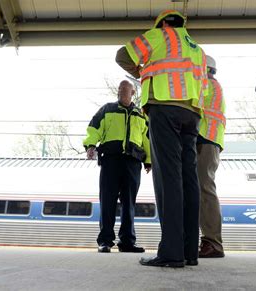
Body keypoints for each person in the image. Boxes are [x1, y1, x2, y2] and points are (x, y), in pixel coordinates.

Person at [116, 10, 208, 267]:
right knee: (189, 179)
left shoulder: (160, 36)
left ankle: (171, 252)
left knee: (168, 177)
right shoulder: (197, 49)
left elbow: (122, 55)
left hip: (164, 107)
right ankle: (190, 251)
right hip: (192, 114)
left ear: (164, 24)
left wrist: (140, 70)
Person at [83, 80, 151, 253]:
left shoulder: (140, 114)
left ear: (133, 93)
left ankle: (127, 241)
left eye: (125, 90)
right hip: (110, 160)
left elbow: (147, 139)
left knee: (129, 203)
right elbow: (94, 128)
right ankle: (105, 241)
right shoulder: (107, 109)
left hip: (132, 162)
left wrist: (149, 160)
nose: (121, 92)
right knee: (108, 201)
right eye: (120, 90)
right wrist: (91, 145)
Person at [197, 55, 226, 258]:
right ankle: (208, 240)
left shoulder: (208, 85)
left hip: (205, 139)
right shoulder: (212, 85)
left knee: (205, 188)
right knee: (201, 188)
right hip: (206, 139)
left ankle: (213, 243)